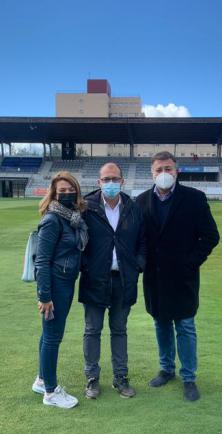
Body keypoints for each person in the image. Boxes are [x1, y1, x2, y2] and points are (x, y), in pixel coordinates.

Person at [135, 151, 220, 402]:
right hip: (155, 277)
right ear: (152, 173)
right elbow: (137, 240)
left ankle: (189, 377)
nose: (164, 174)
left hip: (183, 277)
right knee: (160, 323)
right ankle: (166, 369)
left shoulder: (195, 199)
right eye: (159, 169)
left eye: (168, 169)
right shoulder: (140, 202)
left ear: (177, 171)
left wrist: (191, 263)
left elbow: (211, 236)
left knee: (184, 325)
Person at [79, 162, 146, 399]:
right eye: (106, 179)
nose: (110, 183)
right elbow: (76, 239)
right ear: (98, 182)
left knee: (119, 330)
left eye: (114, 178)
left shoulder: (133, 207)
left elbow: (143, 241)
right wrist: (86, 265)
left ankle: (120, 378)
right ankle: (92, 378)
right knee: (92, 330)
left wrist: (139, 264)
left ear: (122, 181)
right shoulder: (86, 207)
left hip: (124, 279)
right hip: (95, 279)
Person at [31, 172, 88, 409]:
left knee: (48, 335)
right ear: (54, 194)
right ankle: (51, 393)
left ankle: (42, 380)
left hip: (65, 281)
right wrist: (45, 296)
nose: (66, 194)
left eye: (70, 190)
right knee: (53, 337)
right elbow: (42, 261)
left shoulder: (72, 218)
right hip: (55, 285)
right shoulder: (53, 219)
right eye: (61, 191)